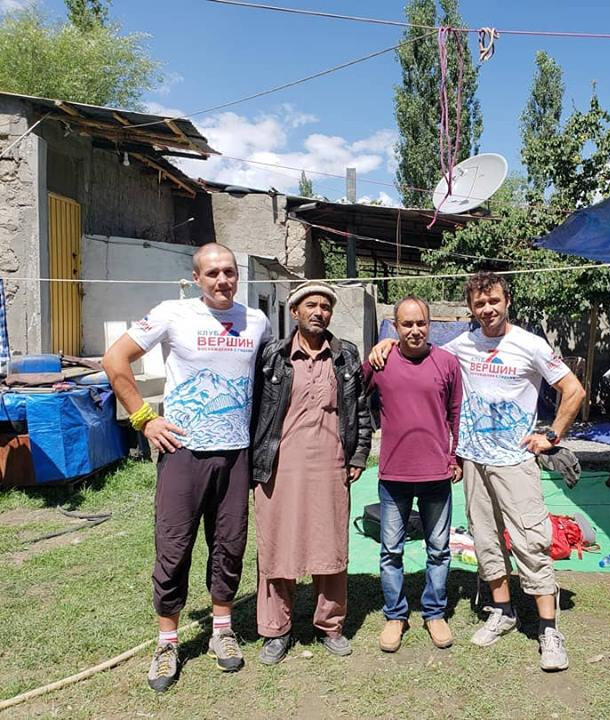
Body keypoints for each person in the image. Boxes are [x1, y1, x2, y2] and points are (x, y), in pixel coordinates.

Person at [369, 271, 586, 672]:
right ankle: (502, 612)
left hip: (516, 462)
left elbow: (573, 390)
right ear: (471, 308)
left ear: (507, 302)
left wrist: (551, 436)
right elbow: (418, 347)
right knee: (486, 541)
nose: (487, 309)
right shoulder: (459, 347)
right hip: (473, 461)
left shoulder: (530, 344)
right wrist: (386, 343)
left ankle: (549, 630)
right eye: (479, 303)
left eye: (494, 301)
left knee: (530, 542)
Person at [103, 243, 272, 692]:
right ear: (196, 278)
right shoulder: (172, 314)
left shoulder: (257, 321)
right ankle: (167, 642)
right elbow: (114, 359)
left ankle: (222, 631)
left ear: (239, 276)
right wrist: (145, 417)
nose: (223, 280)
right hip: (183, 453)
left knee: (230, 544)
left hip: (236, 453)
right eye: (212, 273)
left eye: (230, 272)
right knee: (174, 547)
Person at [250, 280, 372, 664]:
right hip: (280, 464)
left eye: (325, 306)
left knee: (331, 544)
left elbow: (361, 411)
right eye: (311, 305)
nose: (319, 312)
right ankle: (276, 630)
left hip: (331, 462)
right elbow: (255, 411)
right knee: (276, 544)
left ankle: (330, 625)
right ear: (295, 311)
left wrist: (358, 456)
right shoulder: (272, 355)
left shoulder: (346, 356)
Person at [361, 296, 462, 653]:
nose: (415, 330)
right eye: (407, 324)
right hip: (394, 476)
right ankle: (395, 615)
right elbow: (355, 395)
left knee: (439, 549)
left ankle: (434, 612)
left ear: (429, 324)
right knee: (391, 550)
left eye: (421, 323)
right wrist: (378, 347)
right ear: (396, 326)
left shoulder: (447, 363)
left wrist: (454, 456)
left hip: (436, 474)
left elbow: (455, 413)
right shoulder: (381, 361)